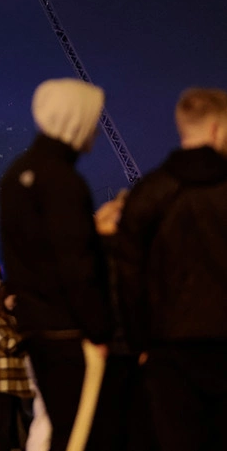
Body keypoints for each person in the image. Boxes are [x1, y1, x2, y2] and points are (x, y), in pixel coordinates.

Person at [0, 78, 115, 451]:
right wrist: (99, 330)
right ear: (74, 118)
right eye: (92, 118)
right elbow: (74, 264)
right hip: (70, 330)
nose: (95, 128)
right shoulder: (64, 181)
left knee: (60, 427)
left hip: (36, 326)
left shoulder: (15, 175)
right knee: (81, 433)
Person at [117, 87, 227, 451]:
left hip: (168, 346)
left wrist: (139, 342)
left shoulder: (150, 191)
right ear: (217, 129)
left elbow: (129, 274)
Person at [0, 284, 33, 451]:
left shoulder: (9, 319)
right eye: (13, 299)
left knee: (9, 418)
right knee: (1, 418)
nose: (15, 303)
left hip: (12, 377)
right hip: (1, 378)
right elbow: (9, 343)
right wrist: (27, 336)